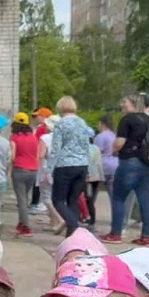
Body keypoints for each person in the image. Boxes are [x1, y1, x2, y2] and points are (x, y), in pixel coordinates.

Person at [102, 95, 149, 246]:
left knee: (119, 197)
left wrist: (114, 150)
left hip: (130, 162)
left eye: (125, 102)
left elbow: (120, 142)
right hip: (148, 162)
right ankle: (147, 236)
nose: (122, 105)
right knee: (144, 198)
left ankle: (116, 233)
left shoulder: (127, 120)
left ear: (132, 104)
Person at [48, 96, 90, 237]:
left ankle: (73, 224)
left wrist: (49, 170)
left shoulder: (61, 124)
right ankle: (71, 237)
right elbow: (86, 146)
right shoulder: (83, 123)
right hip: (82, 164)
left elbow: (56, 149)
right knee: (73, 200)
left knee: (58, 200)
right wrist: (88, 166)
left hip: (65, 165)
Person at [9, 112, 39, 237]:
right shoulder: (33, 137)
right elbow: (36, 155)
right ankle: (21, 223)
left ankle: (26, 227)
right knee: (24, 197)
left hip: (20, 170)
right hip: (33, 170)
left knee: (21, 200)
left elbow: (12, 156)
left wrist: (8, 171)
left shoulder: (14, 138)